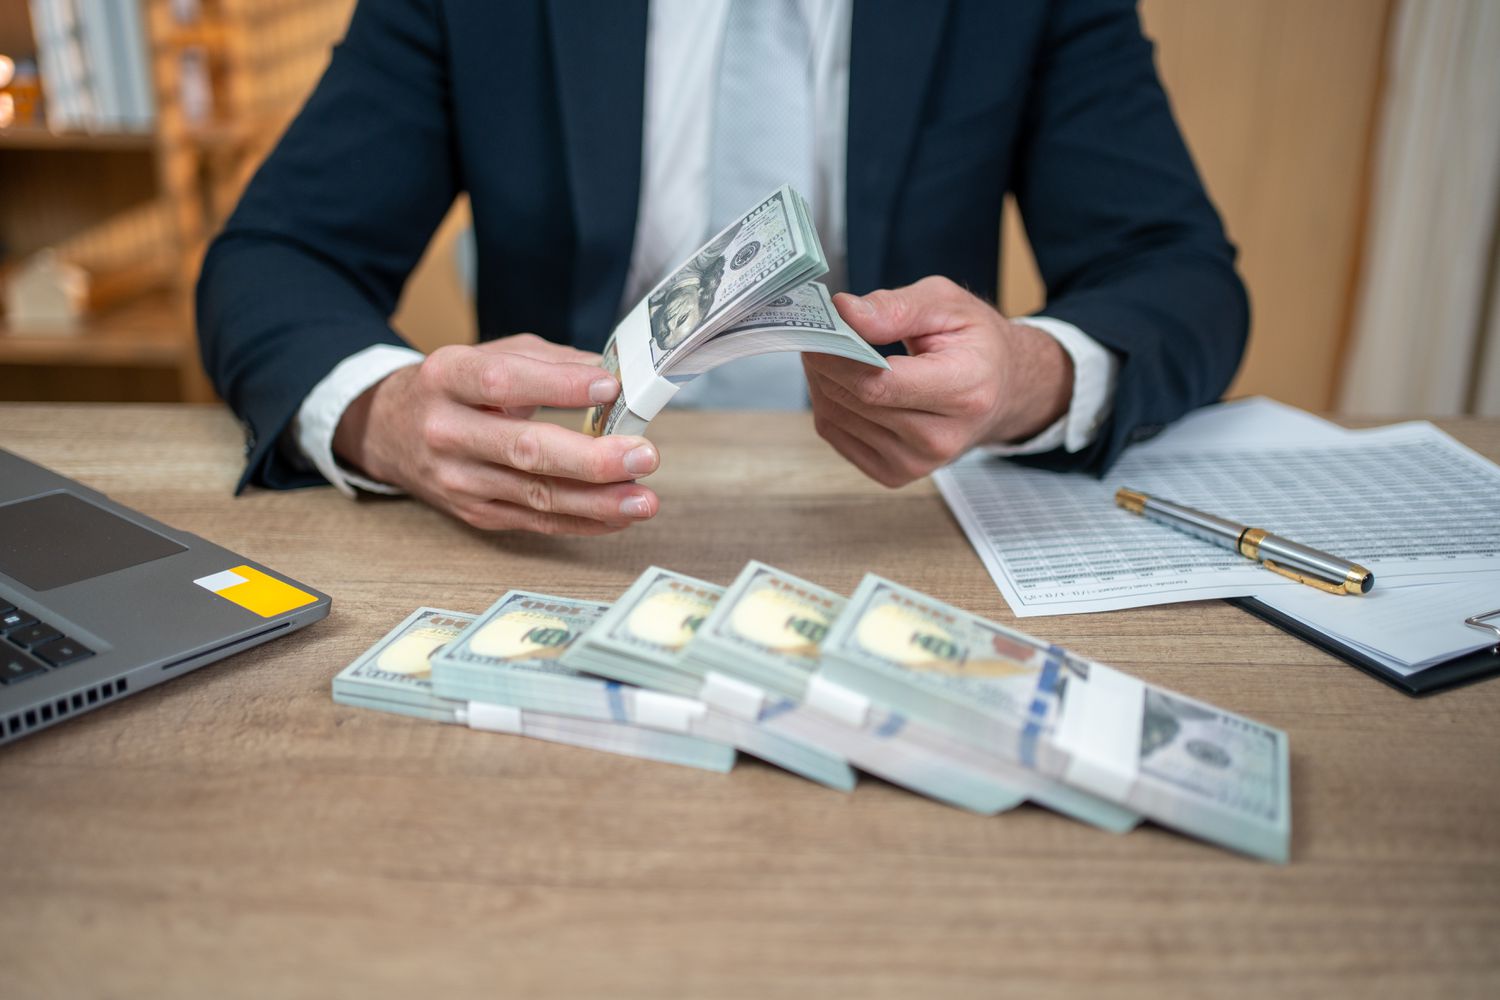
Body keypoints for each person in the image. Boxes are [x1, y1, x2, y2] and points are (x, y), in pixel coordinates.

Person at [197, 0, 1248, 536]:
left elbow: (1178, 269)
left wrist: (1032, 375)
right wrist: (381, 414)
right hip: (553, 520)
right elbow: (276, 255)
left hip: (906, 521)